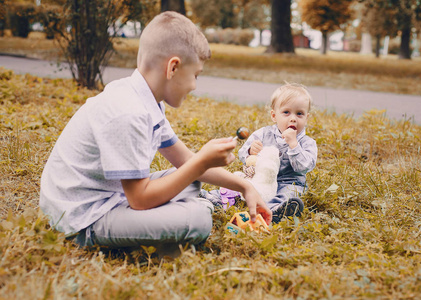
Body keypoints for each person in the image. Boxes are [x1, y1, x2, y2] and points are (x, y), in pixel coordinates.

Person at [39, 11, 271, 256]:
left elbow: (185, 161)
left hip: (114, 194)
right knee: (198, 219)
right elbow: (139, 199)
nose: (194, 85)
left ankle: (178, 214)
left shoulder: (147, 100)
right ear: (173, 67)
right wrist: (202, 161)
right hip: (84, 216)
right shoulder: (128, 113)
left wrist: (244, 186)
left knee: (192, 180)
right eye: (195, 75)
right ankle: (175, 224)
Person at [237, 83, 318, 224]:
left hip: (290, 182)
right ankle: (215, 197)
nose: (293, 118)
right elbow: (243, 154)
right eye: (286, 112)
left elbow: (304, 167)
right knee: (241, 185)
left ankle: (274, 210)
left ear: (306, 118)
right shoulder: (263, 134)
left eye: (299, 114)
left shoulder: (307, 143)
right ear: (274, 116)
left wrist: (294, 145)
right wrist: (250, 151)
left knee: (289, 193)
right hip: (262, 179)